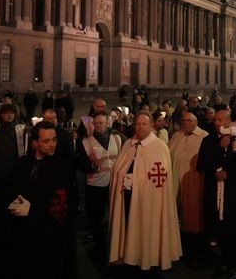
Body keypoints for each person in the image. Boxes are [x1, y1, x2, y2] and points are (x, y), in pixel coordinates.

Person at [108, 111, 182, 271]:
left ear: (151, 126)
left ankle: (149, 261)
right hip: (127, 199)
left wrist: (136, 180)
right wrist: (123, 178)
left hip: (149, 202)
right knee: (129, 230)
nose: (140, 127)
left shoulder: (159, 146)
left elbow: (161, 178)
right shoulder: (128, 143)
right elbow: (118, 169)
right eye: (137, 124)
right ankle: (130, 259)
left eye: (144, 124)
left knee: (147, 233)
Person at [7, 121, 77, 278]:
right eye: (46, 141)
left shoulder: (62, 168)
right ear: (34, 143)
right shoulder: (22, 164)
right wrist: (14, 203)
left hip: (50, 237)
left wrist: (32, 210)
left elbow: (64, 206)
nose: (52, 145)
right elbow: (13, 191)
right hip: (24, 234)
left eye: (54, 140)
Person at [197, 110, 236, 279]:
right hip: (214, 193)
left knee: (234, 231)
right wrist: (219, 148)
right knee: (219, 230)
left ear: (228, 122)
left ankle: (235, 262)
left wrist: (229, 174)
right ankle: (223, 259)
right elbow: (202, 165)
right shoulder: (208, 141)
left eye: (219, 119)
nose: (216, 122)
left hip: (233, 195)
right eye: (214, 120)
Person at [77, 113, 122, 269]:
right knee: (96, 220)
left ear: (107, 123)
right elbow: (80, 163)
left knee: (116, 217)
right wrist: (91, 166)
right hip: (95, 186)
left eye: (101, 123)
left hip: (115, 184)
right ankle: (100, 250)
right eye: (95, 123)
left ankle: (115, 247)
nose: (98, 126)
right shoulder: (86, 142)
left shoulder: (117, 138)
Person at [168, 112, 209, 266]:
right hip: (175, 181)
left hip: (196, 182)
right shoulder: (176, 136)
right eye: (183, 120)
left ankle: (196, 251)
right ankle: (178, 246)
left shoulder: (204, 136)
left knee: (194, 215)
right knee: (178, 214)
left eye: (189, 120)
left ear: (196, 121)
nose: (185, 123)